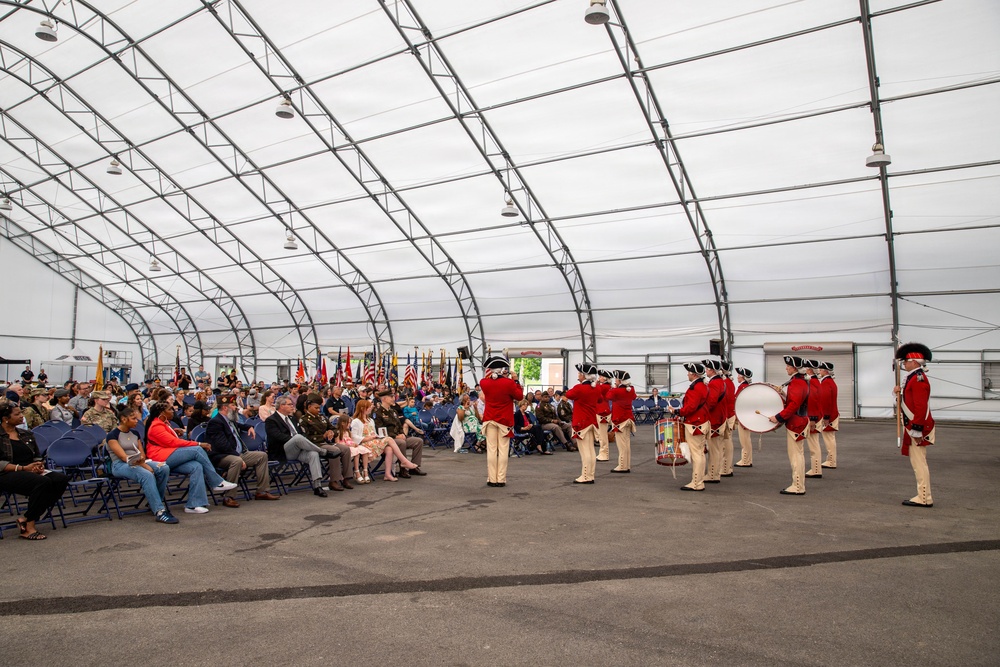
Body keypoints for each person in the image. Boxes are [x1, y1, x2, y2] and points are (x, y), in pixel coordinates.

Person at [144, 402, 238, 513]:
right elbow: (174, 442)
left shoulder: (164, 424)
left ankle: (193, 504)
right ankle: (216, 481)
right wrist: (198, 444)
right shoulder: (156, 426)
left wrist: (174, 431)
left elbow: (167, 440)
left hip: (169, 454)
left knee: (196, 466)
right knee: (197, 450)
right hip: (160, 458)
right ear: (162, 413)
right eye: (170, 409)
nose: (173, 411)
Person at [0, 403, 70, 540]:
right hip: (7, 473)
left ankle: (27, 518)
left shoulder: (26, 434)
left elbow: (36, 455)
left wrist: (38, 465)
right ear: (5, 418)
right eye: (17, 414)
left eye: (21, 413)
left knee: (60, 479)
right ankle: (29, 526)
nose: (21, 416)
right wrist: (23, 468)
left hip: (28, 470)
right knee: (43, 483)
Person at [106, 407, 177, 524]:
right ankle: (159, 511)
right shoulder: (113, 435)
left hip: (139, 462)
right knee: (146, 475)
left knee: (163, 468)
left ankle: (154, 501)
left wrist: (144, 464)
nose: (136, 421)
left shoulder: (135, 433)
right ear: (124, 419)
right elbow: (124, 457)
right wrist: (146, 467)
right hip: (120, 465)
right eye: (133, 418)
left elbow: (142, 455)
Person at [205, 396, 279, 506]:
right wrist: (238, 456)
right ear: (225, 408)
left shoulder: (229, 420)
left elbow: (240, 425)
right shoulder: (215, 423)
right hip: (222, 456)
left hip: (238, 453)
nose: (236, 408)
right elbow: (222, 445)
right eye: (233, 406)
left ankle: (262, 491)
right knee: (237, 461)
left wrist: (249, 427)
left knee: (262, 456)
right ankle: (229, 497)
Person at [264, 396, 337, 497]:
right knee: (297, 437)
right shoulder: (271, 420)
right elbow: (277, 436)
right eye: (289, 404)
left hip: (298, 450)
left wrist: (299, 441)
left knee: (313, 454)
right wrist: (295, 440)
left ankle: (317, 486)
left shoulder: (292, 418)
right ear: (282, 406)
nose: (292, 406)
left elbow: (302, 433)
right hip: (283, 450)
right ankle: (323, 452)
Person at [894, 343, 935, 507]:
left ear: (914, 361)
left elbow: (920, 406)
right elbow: (909, 401)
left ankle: (924, 497)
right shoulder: (913, 377)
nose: (904, 364)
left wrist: (917, 429)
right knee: (917, 462)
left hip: (917, 427)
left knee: (919, 463)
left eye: (906, 361)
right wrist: (898, 392)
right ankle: (923, 496)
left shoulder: (917, 379)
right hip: (913, 425)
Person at [767, 356, 811, 496]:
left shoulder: (797, 383)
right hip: (798, 421)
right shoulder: (798, 381)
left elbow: (793, 405)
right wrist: (782, 393)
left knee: (796, 456)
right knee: (797, 454)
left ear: (794, 368)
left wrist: (778, 417)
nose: (786, 368)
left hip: (796, 423)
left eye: (788, 366)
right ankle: (798, 485)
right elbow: (793, 400)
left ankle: (798, 486)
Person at [479, 355, 524, 487]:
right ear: (502, 369)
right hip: (504, 420)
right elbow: (519, 396)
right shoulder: (509, 383)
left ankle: (492, 478)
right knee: (503, 450)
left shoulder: (484, 382)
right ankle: (501, 478)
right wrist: (515, 380)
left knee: (492, 450)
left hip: (489, 418)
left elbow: (488, 383)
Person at [349, 400, 419, 482]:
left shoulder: (370, 420)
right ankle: (404, 461)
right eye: (368, 407)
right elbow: (354, 437)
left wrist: (377, 437)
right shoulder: (356, 421)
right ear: (362, 408)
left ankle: (387, 474)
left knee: (389, 449)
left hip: (373, 442)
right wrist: (368, 438)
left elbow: (374, 433)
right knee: (389, 439)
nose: (370, 408)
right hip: (364, 444)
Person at [669, 363, 710, 491]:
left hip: (694, 423)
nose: (687, 374)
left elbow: (691, 407)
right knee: (700, 453)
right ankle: (699, 480)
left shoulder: (695, 388)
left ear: (694, 374)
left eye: (688, 372)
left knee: (696, 454)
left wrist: (676, 412)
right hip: (701, 421)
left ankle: (697, 483)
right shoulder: (702, 386)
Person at [299, 398, 353, 492]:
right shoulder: (304, 420)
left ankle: (346, 478)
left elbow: (335, 429)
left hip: (327, 442)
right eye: (316, 408)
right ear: (309, 407)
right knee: (334, 451)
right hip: (315, 444)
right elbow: (305, 438)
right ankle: (334, 480)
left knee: (345, 449)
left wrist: (331, 432)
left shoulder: (322, 417)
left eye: (319, 408)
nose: (319, 410)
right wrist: (323, 436)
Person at [565, 363, 604, 484]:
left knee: (585, 451)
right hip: (592, 421)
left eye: (579, 374)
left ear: (584, 375)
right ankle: (590, 475)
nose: (578, 376)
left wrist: (580, 384)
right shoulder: (596, 388)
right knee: (591, 450)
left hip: (581, 422)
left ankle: (586, 476)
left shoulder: (579, 388)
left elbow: (568, 394)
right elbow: (600, 400)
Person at [373, 391, 425, 478]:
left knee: (418, 441)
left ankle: (414, 467)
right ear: (384, 399)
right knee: (401, 442)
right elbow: (380, 429)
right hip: (388, 439)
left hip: (399, 436)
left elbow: (399, 425)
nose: (393, 399)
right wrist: (395, 436)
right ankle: (403, 468)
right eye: (391, 397)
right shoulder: (377, 413)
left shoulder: (393, 411)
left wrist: (402, 434)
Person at [701, 359, 727, 484]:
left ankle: (713, 474)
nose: (705, 371)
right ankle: (714, 473)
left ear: (711, 370)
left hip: (715, 419)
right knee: (716, 448)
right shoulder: (720, 382)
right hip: (719, 417)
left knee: (714, 448)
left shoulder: (714, 383)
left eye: (707, 369)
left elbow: (711, 402)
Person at [607, 370, 637, 473]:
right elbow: (634, 396)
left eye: (616, 379)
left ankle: (622, 465)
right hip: (628, 418)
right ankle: (627, 464)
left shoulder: (616, 391)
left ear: (619, 380)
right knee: (627, 444)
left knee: (621, 445)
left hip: (620, 419)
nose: (615, 381)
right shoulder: (631, 389)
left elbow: (608, 396)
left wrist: (614, 387)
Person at [333, 416, 372, 484]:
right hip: (345, 448)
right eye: (348, 423)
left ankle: (365, 471)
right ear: (343, 423)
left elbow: (350, 440)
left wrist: (354, 444)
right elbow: (338, 444)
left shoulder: (348, 432)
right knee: (356, 453)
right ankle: (356, 472)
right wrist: (349, 445)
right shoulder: (338, 432)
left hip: (351, 446)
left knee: (364, 450)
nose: (350, 424)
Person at [803, 360, 824, 479]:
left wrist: (812, 419)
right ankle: (816, 468)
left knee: (814, 445)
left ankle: (816, 469)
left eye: (806, 368)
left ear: (810, 370)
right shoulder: (815, 381)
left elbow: (813, 401)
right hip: (815, 416)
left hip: (814, 417)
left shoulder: (812, 382)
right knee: (814, 444)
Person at [818, 362, 839, 469]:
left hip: (830, 415)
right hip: (832, 413)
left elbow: (826, 401)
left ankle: (831, 461)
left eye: (820, 370)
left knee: (829, 439)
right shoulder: (831, 382)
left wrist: (826, 417)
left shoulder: (825, 383)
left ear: (825, 371)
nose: (819, 371)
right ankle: (830, 459)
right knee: (830, 438)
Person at [733, 368, 755, 467]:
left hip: (743, 416)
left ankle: (746, 460)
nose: (737, 376)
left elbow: (738, 402)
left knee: (744, 439)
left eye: (739, 375)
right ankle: (747, 459)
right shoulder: (746, 387)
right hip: (746, 416)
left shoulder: (743, 387)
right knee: (746, 439)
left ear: (742, 377)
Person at [720, 361, 737, 477]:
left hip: (726, 415)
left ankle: (725, 468)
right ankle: (727, 467)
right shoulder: (729, 382)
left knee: (725, 443)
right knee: (727, 442)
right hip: (729, 414)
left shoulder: (725, 383)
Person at [595, 370, 613, 462]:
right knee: (599, 434)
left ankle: (604, 453)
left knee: (602, 435)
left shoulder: (604, 386)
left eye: (601, 376)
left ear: (605, 378)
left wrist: (595, 383)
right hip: (600, 410)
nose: (599, 378)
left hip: (602, 411)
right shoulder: (604, 386)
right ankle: (602, 452)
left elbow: (596, 390)